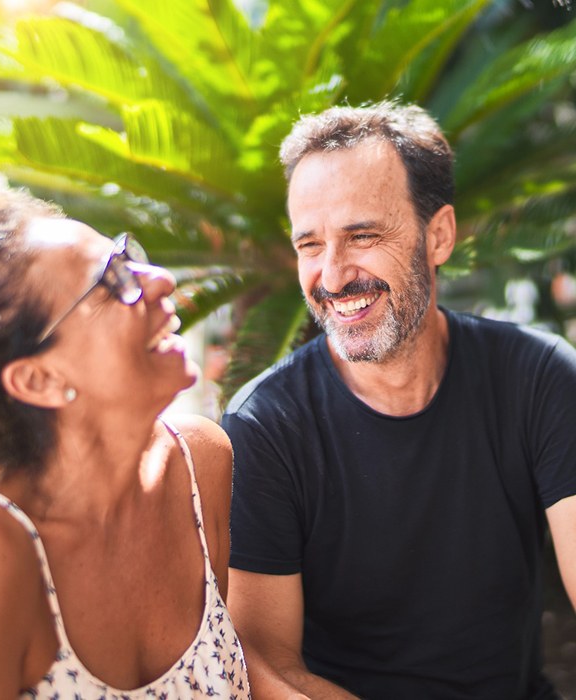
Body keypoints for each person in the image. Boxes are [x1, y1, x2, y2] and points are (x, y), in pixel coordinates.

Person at [222, 101, 576, 700]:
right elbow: (264, 662)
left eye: (362, 236)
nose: (332, 278)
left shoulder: (539, 376)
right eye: (310, 245)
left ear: (439, 235)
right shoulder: (264, 424)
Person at [0, 162, 250, 699]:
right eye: (111, 282)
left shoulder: (202, 464)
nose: (162, 281)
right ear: (39, 378)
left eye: (128, 257)